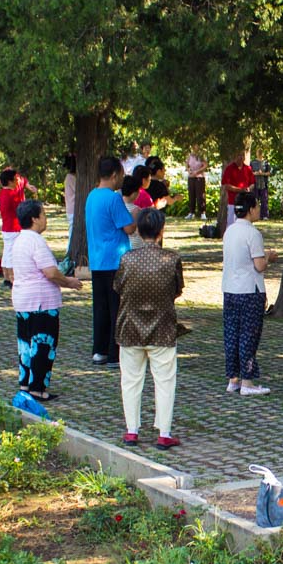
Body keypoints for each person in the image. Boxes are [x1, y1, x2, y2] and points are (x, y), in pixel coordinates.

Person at [115, 208, 185, 449]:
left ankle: (132, 430)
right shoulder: (172, 259)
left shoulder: (127, 259)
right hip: (163, 328)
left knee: (131, 380)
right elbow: (177, 289)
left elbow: (118, 287)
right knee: (165, 381)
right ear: (161, 230)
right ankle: (164, 432)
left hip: (130, 327)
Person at [9, 200, 81, 400]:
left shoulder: (19, 240)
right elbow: (50, 272)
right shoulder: (35, 241)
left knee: (26, 344)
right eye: (43, 214)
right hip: (41, 301)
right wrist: (68, 282)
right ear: (34, 219)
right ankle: (38, 387)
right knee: (43, 344)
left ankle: (26, 383)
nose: (45, 219)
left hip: (23, 299)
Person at [85, 156, 137, 365]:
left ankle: (99, 350)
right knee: (118, 307)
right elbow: (128, 227)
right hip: (115, 260)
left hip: (97, 260)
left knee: (100, 307)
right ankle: (115, 352)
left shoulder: (91, 196)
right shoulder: (113, 198)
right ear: (114, 175)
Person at [221, 190, 274, 396]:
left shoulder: (230, 231)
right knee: (249, 335)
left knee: (232, 334)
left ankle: (233, 378)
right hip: (250, 290)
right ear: (251, 209)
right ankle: (248, 381)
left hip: (230, 289)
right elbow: (259, 265)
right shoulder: (253, 233)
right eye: (257, 206)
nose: (259, 209)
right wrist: (269, 256)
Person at [0, 167, 36, 262]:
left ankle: (7, 274)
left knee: (7, 252)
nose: (17, 182)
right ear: (10, 182)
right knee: (11, 253)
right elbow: (19, 209)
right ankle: (11, 275)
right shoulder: (11, 194)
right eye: (15, 180)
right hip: (13, 227)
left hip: (6, 226)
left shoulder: (3, 192)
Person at [220, 149, 255, 233]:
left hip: (245, 201)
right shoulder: (229, 169)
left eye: (242, 155)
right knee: (231, 222)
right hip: (233, 201)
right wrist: (240, 190)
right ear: (235, 157)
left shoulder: (248, 169)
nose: (240, 157)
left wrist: (249, 189)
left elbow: (252, 183)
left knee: (245, 222)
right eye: (239, 155)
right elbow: (226, 185)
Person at [185, 148, 208, 219]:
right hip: (191, 177)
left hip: (199, 177)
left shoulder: (201, 156)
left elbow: (205, 165)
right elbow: (186, 165)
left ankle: (202, 212)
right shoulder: (189, 155)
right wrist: (189, 171)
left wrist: (197, 172)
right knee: (191, 194)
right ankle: (191, 212)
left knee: (200, 195)